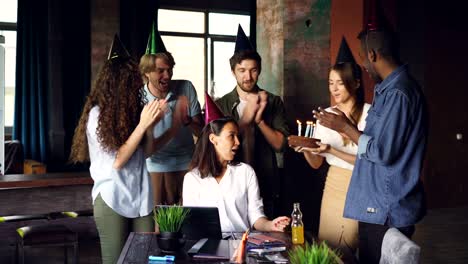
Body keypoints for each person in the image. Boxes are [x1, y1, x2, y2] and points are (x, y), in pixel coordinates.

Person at [314, 25, 428, 263]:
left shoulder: (399, 94)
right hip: (376, 205)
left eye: (362, 57)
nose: (363, 64)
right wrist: (348, 126)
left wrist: (345, 128)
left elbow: (382, 152)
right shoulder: (388, 91)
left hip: (386, 209)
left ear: (373, 55)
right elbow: (381, 141)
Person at [69, 35, 165, 264]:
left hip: (141, 197)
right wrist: (143, 125)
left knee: (142, 259)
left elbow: (146, 152)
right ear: (117, 83)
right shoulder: (96, 115)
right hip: (112, 198)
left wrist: (152, 125)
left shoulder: (133, 112)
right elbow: (118, 160)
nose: (138, 86)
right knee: (116, 261)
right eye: (132, 81)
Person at [293, 37, 370, 252]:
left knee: (346, 245)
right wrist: (307, 149)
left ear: (355, 83)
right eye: (330, 83)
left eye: (340, 82)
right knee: (326, 244)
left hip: (358, 186)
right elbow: (317, 163)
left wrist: (331, 149)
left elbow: (369, 160)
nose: (334, 89)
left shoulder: (369, 113)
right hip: (332, 183)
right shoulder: (325, 115)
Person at [216, 25, 289, 218]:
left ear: (260, 70)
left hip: (265, 182)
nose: (248, 77)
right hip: (229, 185)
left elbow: (281, 145)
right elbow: (214, 145)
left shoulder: (273, 101)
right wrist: (246, 118)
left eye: (253, 70)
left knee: (266, 241)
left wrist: (259, 121)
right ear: (233, 71)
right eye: (242, 70)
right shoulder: (221, 104)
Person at [183, 101, 290, 232]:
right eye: (231, 136)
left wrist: (270, 225)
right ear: (213, 139)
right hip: (207, 246)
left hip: (241, 244)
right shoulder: (192, 179)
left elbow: (255, 215)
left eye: (237, 136)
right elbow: (191, 223)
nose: (238, 142)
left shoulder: (245, 172)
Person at [139, 21, 203, 206]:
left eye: (169, 69)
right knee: (160, 220)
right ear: (147, 72)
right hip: (154, 165)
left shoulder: (186, 87)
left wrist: (187, 121)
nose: (167, 75)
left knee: (188, 216)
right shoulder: (138, 98)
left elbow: (201, 133)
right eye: (161, 71)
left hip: (187, 163)